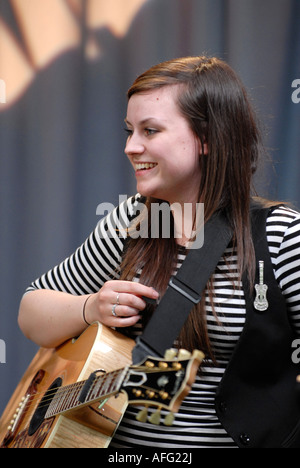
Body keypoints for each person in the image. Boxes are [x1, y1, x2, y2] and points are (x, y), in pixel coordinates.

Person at [18, 56, 300, 448]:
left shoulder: (282, 236)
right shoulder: (131, 220)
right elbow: (31, 313)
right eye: (129, 131)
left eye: (150, 130)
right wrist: (91, 307)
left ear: (208, 138)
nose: (131, 147)